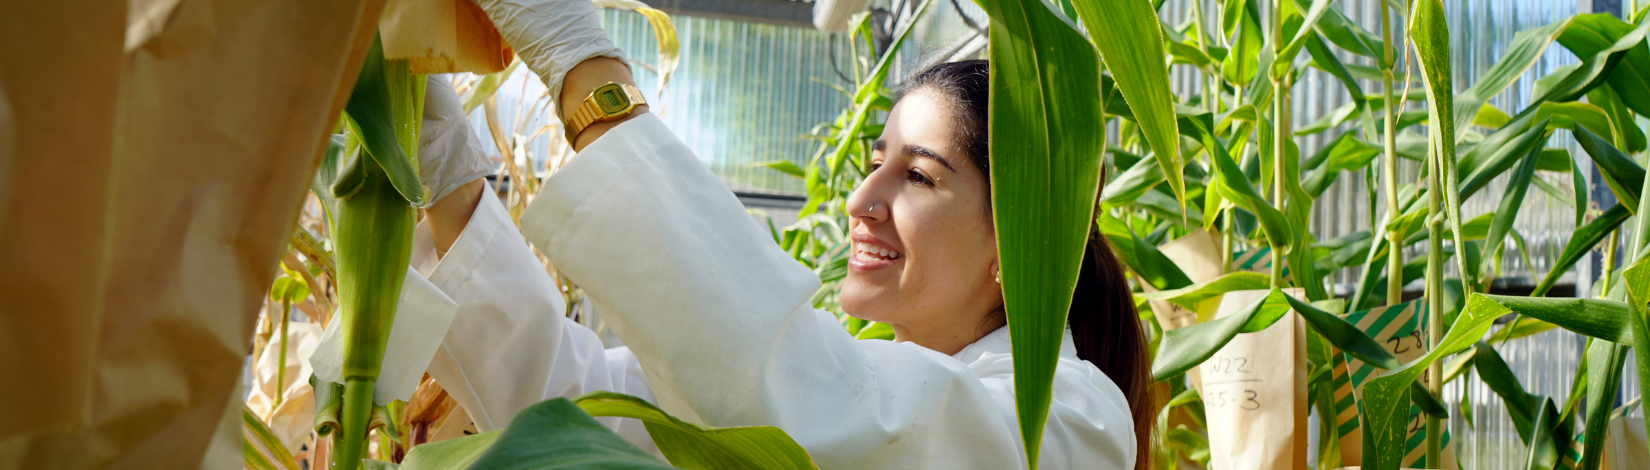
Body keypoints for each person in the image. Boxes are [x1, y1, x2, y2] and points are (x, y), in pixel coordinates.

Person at [405, 0, 1156, 468]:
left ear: (1017, 243)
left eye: (918, 176)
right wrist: (443, 166)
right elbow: (576, 403)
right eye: (874, 164)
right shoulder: (856, 374)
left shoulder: (1069, 424)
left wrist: (586, 77)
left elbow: (819, 408)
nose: (861, 200)